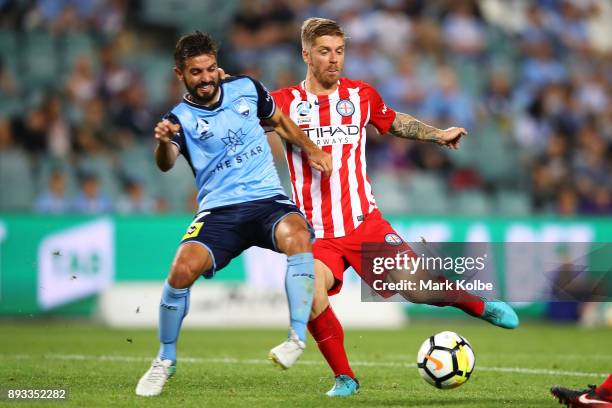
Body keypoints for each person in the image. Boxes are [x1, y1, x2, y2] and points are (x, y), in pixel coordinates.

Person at [268, 18, 520, 396]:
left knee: (419, 290)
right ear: (306, 54)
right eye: (324, 51)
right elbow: (240, 119)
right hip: (315, 232)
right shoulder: (284, 102)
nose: (334, 60)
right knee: (308, 289)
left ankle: (478, 306)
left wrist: (437, 134)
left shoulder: (360, 96)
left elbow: (393, 121)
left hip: (363, 222)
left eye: (339, 51)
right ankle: (345, 377)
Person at [135, 31, 332, 397]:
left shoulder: (247, 88)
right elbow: (165, 165)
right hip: (219, 211)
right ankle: (164, 360)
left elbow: (282, 121)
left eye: (210, 69)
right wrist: (163, 142)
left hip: (266, 199)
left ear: (217, 66)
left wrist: (312, 149)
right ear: (181, 74)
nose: (206, 77)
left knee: (298, 236)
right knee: (180, 270)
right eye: (196, 72)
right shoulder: (177, 118)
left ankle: (295, 338)